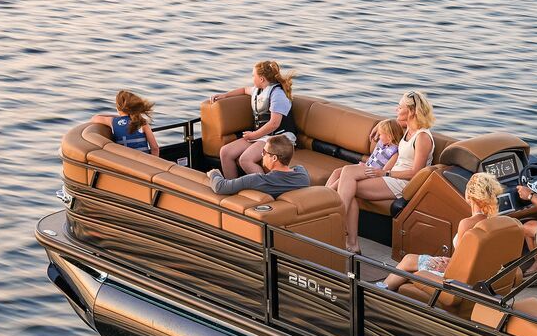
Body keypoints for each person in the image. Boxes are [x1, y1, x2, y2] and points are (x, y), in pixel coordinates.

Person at [329, 91, 436, 252]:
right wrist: (380, 125)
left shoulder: (422, 137)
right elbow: (391, 123)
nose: (396, 110)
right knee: (346, 173)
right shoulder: (408, 129)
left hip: (402, 183)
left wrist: (385, 173)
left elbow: (416, 173)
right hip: (391, 175)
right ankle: (351, 243)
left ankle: (330, 220)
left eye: (400, 107)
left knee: (348, 183)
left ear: (412, 111)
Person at [383, 172, 503, 291]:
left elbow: (460, 261)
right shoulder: (495, 222)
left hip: (458, 278)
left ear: (469, 194)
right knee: (410, 258)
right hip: (478, 275)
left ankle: (380, 291)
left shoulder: (467, 224)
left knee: (408, 262)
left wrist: (445, 264)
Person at [210, 60, 298, 178]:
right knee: (225, 152)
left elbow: (274, 124)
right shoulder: (258, 90)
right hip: (262, 135)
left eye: (253, 75)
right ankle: (232, 188)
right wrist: (225, 95)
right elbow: (244, 90)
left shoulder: (277, 95)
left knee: (245, 160)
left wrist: (254, 135)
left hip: (279, 137)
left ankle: (266, 188)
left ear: (261, 79)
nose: (252, 78)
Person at [207, 136, 311, 197]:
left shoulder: (257, 180)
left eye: (264, 152)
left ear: (274, 158)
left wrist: (214, 173)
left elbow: (220, 187)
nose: (262, 155)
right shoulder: (302, 173)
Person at [93, 90, 157, 154]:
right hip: (143, 162)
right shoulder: (142, 123)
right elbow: (155, 148)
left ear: (118, 108)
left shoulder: (113, 121)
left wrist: (117, 117)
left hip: (123, 162)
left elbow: (95, 118)